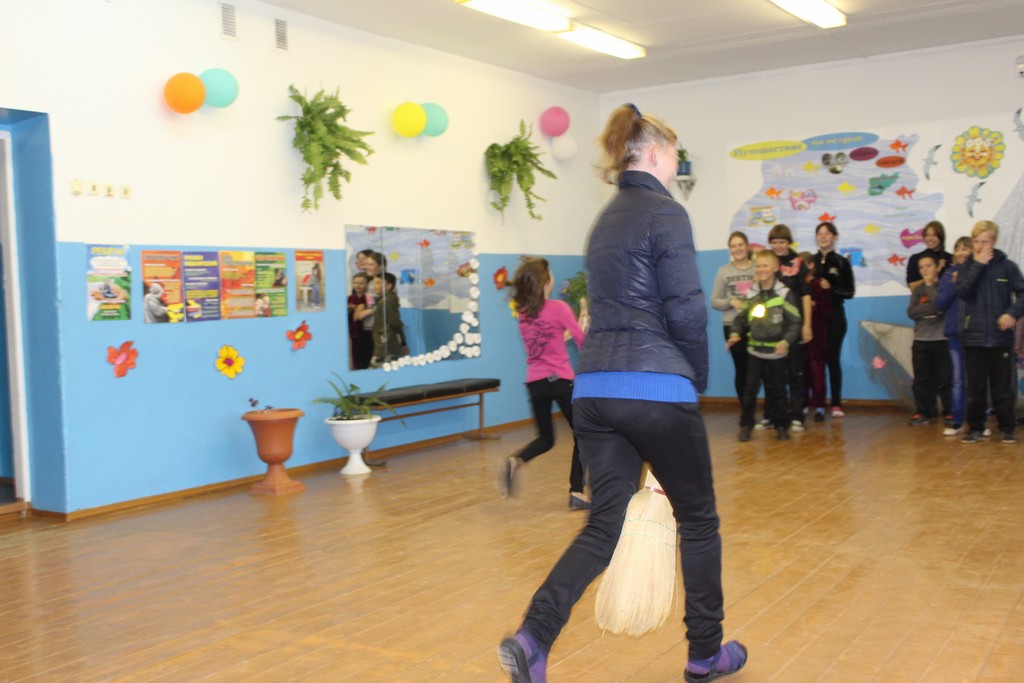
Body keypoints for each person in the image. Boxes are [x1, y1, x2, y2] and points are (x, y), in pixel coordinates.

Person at [498, 104, 747, 683]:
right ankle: (705, 654)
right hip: (655, 386)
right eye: (675, 152)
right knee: (698, 520)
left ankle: (534, 637)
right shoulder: (668, 212)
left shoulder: (603, 221)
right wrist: (695, 379)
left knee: (603, 524)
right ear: (654, 152)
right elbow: (686, 308)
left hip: (594, 389)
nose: (678, 161)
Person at [498, 256, 588, 510]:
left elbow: (547, 341)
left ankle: (516, 460)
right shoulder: (559, 307)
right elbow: (583, 342)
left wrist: (569, 331)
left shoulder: (524, 313)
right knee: (583, 435)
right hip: (561, 381)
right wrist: (582, 326)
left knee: (546, 439)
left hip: (536, 383)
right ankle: (577, 492)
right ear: (547, 281)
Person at [955, 220, 1024, 444]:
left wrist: (1012, 313)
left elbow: (1022, 294)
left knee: (1003, 386)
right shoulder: (966, 267)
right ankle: (975, 428)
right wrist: (978, 265)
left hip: (1000, 336)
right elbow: (963, 292)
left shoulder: (1008, 267)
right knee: (975, 386)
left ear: (993, 241)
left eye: (984, 241)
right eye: (976, 241)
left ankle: (1007, 427)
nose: (979, 246)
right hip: (973, 336)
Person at [728, 249, 802, 442]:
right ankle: (746, 425)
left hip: (776, 353)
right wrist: (735, 333)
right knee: (749, 391)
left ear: (775, 268)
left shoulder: (784, 293)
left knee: (778, 390)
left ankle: (782, 425)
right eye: (758, 266)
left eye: (765, 265)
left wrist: (785, 341)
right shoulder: (751, 294)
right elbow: (741, 319)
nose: (761, 269)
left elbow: (795, 322)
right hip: (754, 351)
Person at [767, 224, 812, 432]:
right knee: (772, 373)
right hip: (771, 327)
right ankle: (773, 415)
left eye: (782, 242)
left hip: (793, 325)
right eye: (774, 242)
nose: (778, 246)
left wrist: (807, 324)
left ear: (789, 242)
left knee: (795, 372)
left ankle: (796, 415)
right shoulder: (767, 262)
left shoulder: (798, 263)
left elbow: (806, 295)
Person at [812, 221, 855, 419]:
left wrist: (831, 289)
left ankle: (836, 403)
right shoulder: (810, 261)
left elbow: (850, 292)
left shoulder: (841, 262)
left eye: (827, 233)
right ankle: (817, 403)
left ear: (835, 237)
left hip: (835, 316)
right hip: (815, 317)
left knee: (832, 359)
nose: (823, 236)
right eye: (819, 233)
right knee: (815, 361)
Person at [906, 254, 952, 425]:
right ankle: (924, 410)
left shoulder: (944, 287)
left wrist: (930, 293)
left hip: (941, 339)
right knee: (922, 379)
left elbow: (941, 307)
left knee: (945, 378)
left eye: (929, 266)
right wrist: (930, 308)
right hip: (921, 339)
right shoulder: (917, 290)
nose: (925, 270)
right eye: (922, 267)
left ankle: (949, 410)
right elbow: (911, 312)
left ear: (937, 267)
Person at [935, 236, 973, 435]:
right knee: (958, 379)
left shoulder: (979, 272)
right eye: (957, 249)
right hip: (955, 333)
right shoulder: (949, 274)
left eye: (965, 248)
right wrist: (954, 284)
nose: (961, 253)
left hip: (976, 333)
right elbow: (940, 304)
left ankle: (978, 422)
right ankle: (957, 421)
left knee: (977, 378)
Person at [711, 231, 755, 402]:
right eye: (733, 246)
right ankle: (746, 409)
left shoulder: (757, 267)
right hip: (732, 325)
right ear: (730, 249)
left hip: (757, 325)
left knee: (758, 369)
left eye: (740, 244)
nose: (737, 249)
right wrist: (731, 302)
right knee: (742, 368)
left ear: (747, 246)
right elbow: (714, 301)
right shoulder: (724, 271)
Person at [800, 249, 832, 422]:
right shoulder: (797, 285)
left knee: (817, 370)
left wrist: (813, 304)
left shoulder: (819, 284)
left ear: (811, 266)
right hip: (800, 334)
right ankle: (804, 404)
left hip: (818, 334)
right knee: (802, 370)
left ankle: (819, 406)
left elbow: (827, 308)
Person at [906, 220, 952, 290]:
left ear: (941, 236)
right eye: (927, 235)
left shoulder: (951, 259)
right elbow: (912, 286)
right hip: (923, 296)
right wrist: (933, 274)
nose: (930, 238)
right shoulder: (915, 259)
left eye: (934, 235)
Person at [370, 272, 404, 365]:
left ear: (388, 286)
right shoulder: (385, 300)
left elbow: (395, 322)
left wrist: (403, 341)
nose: (375, 286)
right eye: (374, 283)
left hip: (386, 343)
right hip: (385, 342)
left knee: (378, 367)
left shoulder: (386, 301)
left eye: (378, 283)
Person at [348, 272, 373, 370]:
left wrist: (358, 308)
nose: (357, 286)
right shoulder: (350, 298)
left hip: (367, 331)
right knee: (355, 355)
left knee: (366, 356)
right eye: (355, 283)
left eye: (361, 283)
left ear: (367, 284)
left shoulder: (368, 298)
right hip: (353, 331)